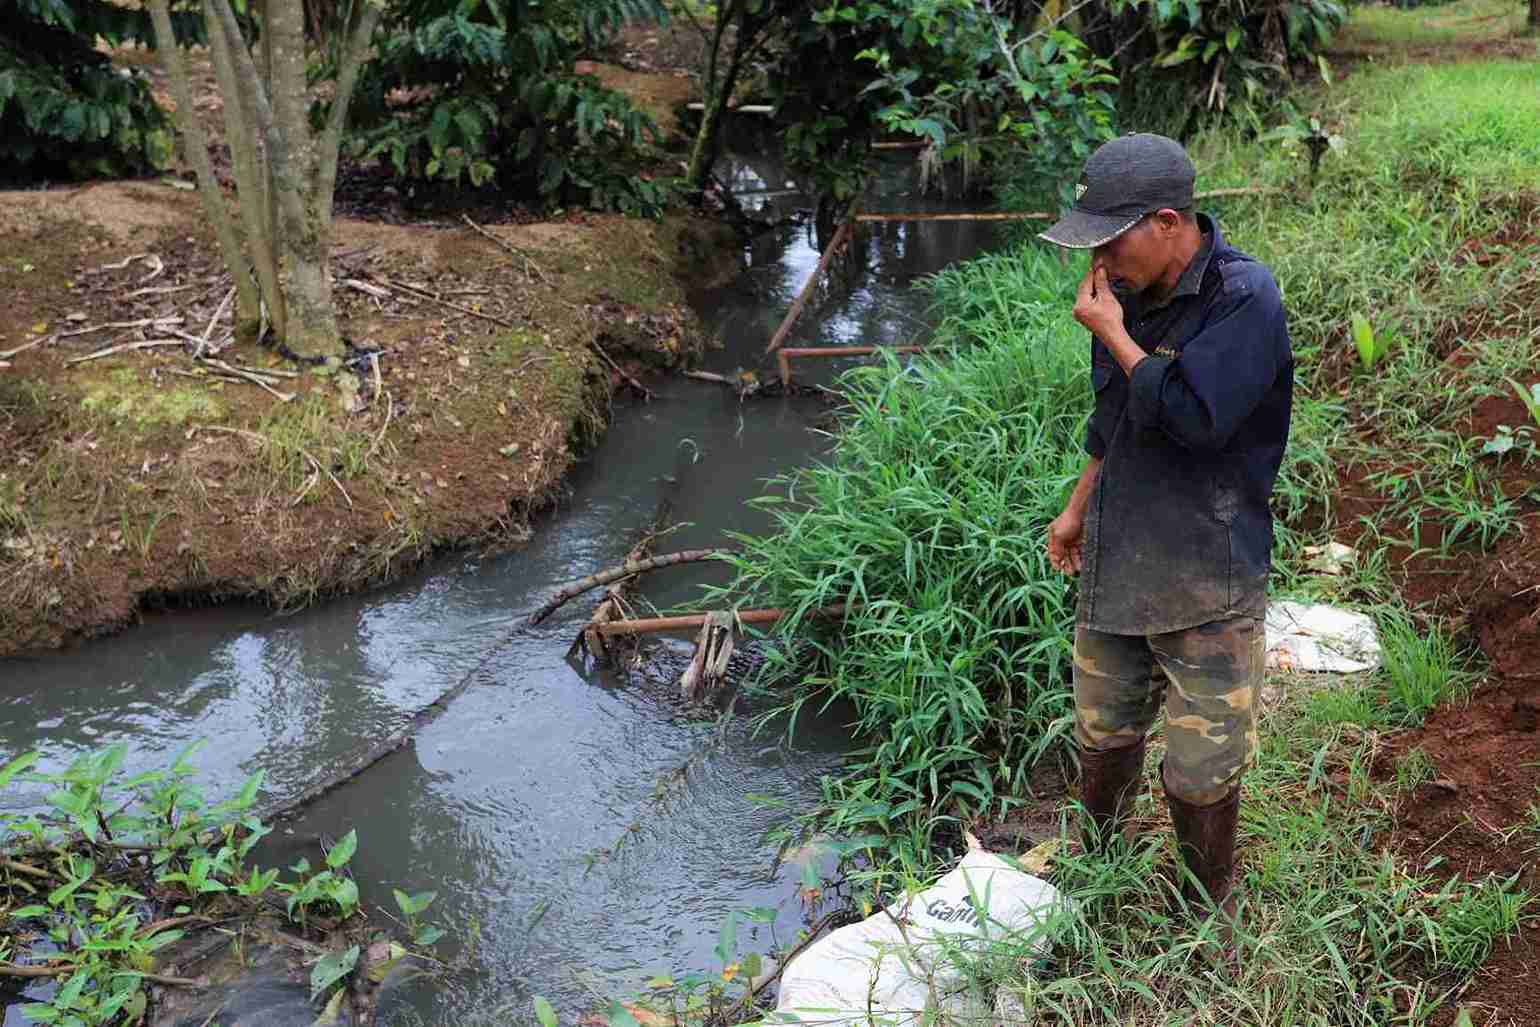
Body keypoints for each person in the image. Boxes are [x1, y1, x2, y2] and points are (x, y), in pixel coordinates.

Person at [1037, 133, 1294, 928]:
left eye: (1112, 242)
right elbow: (1113, 416)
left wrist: (1113, 332)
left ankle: (1205, 913)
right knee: (1104, 730)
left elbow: (1196, 419)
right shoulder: (1128, 292)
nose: (1102, 262)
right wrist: (1078, 508)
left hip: (1208, 564)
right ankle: (1100, 875)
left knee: (1200, 768)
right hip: (1121, 551)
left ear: (1168, 221)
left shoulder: (1243, 298)